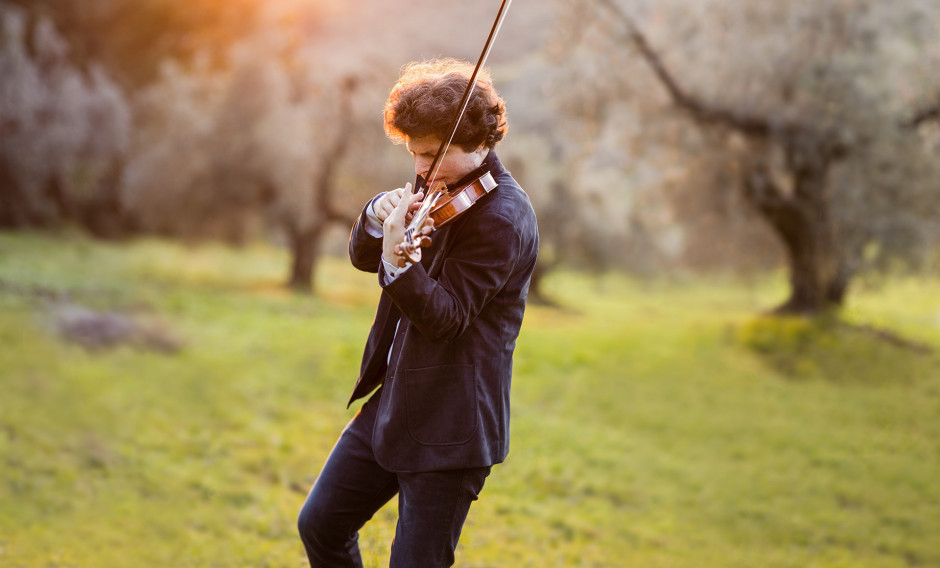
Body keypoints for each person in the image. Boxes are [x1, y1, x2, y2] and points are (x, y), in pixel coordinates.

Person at [297, 58, 539, 567]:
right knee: (321, 523)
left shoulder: (503, 218)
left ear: (479, 143)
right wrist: (375, 215)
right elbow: (363, 257)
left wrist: (398, 264)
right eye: (413, 155)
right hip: (395, 402)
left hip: (452, 426)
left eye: (431, 155)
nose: (420, 170)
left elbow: (447, 317)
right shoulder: (435, 185)